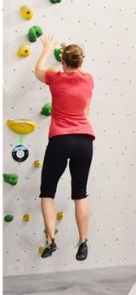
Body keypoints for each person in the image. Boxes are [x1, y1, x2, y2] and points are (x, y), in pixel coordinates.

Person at [33, 34, 94, 260]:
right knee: (80, 193)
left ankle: (51, 240)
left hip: (61, 140)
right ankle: (83, 241)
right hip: (85, 141)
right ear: (81, 61)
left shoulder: (55, 78)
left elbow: (38, 70)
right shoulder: (88, 79)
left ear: (63, 62)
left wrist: (47, 48)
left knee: (47, 192)